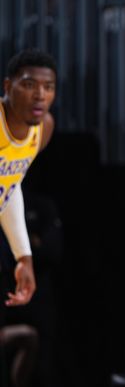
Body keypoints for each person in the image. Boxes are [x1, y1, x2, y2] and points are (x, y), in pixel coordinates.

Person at [0, 49, 56, 309]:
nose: (40, 95)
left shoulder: (43, 128)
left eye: (48, 87)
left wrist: (23, 255)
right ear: (8, 86)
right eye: (29, 85)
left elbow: (9, 186)